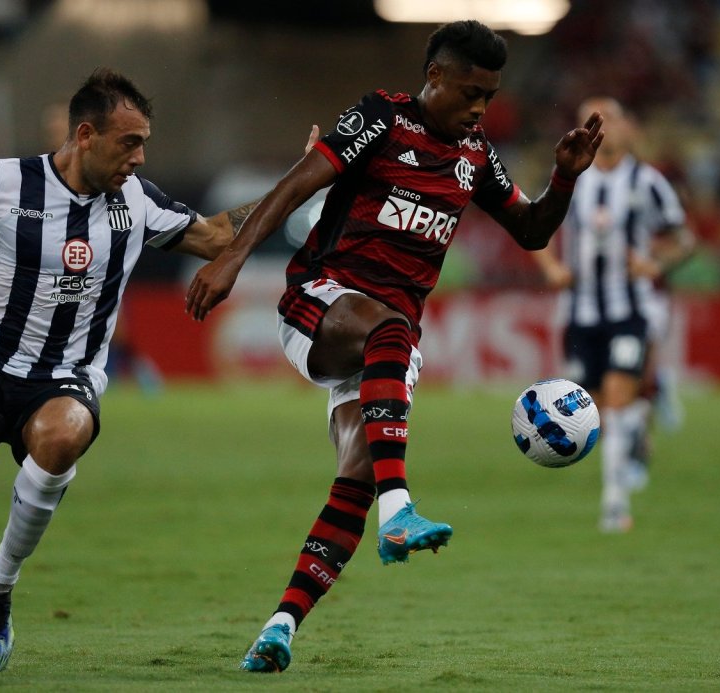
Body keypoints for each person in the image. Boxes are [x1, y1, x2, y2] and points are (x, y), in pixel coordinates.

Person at [185, 20, 603, 673]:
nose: (479, 109)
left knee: (356, 470)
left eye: (489, 97)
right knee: (389, 331)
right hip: (322, 302)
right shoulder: (381, 117)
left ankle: (279, 627)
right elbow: (297, 184)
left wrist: (566, 179)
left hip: (388, 339)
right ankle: (401, 508)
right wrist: (234, 259)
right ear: (434, 76)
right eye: (470, 92)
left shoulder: (474, 154)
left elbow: (530, 231)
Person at [0, 68, 301, 671]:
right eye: (129, 142)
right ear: (86, 135)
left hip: (65, 377)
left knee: (63, 433)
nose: (140, 158)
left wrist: (299, 184)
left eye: (144, 143)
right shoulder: (0, 181)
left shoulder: (137, 202)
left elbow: (218, 235)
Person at [534, 97, 693, 533]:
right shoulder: (567, 181)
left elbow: (683, 237)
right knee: (597, 407)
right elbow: (534, 227)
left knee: (619, 395)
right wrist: (552, 268)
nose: (601, 129)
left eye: (610, 120)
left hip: (631, 308)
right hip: (580, 311)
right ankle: (639, 429)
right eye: (590, 120)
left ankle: (613, 503)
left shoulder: (646, 181)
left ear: (626, 129)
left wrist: (655, 265)